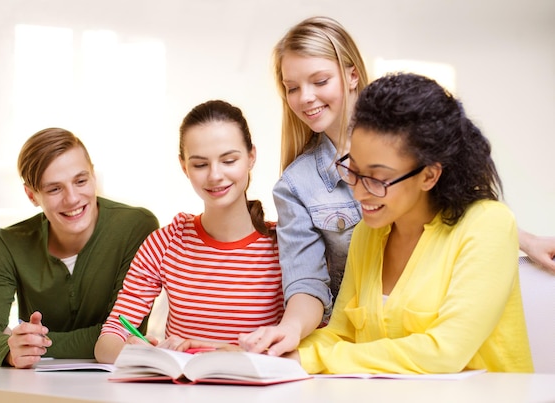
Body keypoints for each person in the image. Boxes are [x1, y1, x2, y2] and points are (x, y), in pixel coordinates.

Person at [239, 16, 555, 357]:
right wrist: (286, 338)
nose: (306, 98)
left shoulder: (422, 143)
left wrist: (521, 237)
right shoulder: (343, 217)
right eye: (292, 87)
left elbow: (465, 209)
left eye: (320, 80)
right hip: (368, 363)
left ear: (351, 75)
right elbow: (311, 287)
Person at [291, 72, 533, 374]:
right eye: (353, 170)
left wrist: (312, 359)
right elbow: (340, 335)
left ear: (429, 175)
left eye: (377, 178)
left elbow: (445, 352)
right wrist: (273, 354)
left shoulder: (488, 225)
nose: (358, 191)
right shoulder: (369, 231)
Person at [94, 100, 283, 364]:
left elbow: (316, 341)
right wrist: (138, 352)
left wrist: (245, 356)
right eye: (200, 165)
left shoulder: (284, 246)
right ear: (184, 167)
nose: (215, 175)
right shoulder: (165, 242)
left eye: (229, 160)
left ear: (251, 157)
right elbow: (108, 341)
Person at [0, 128, 159, 368]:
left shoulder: (135, 227)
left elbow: (125, 332)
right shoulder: (7, 244)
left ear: (93, 176)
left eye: (81, 181)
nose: (72, 198)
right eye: (54, 189)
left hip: (118, 385)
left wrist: (31, 345)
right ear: (31, 195)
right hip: (34, 387)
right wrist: (10, 350)